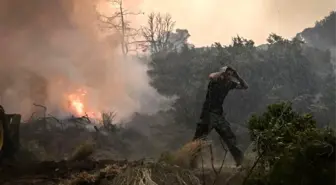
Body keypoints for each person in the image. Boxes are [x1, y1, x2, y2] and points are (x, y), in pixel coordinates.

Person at [192, 66, 248, 167]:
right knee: (199, 139)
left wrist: (237, 76)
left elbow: (244, 86)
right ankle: (191, 161)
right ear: (222, 74)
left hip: (218, 115)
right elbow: (211, 76)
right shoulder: (215, 82)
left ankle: (240, 161)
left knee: (230, 138)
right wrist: (222, 73)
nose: (229, 76)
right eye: (228, 74)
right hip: (208, 115)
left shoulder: (229, 84)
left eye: (231, 74)